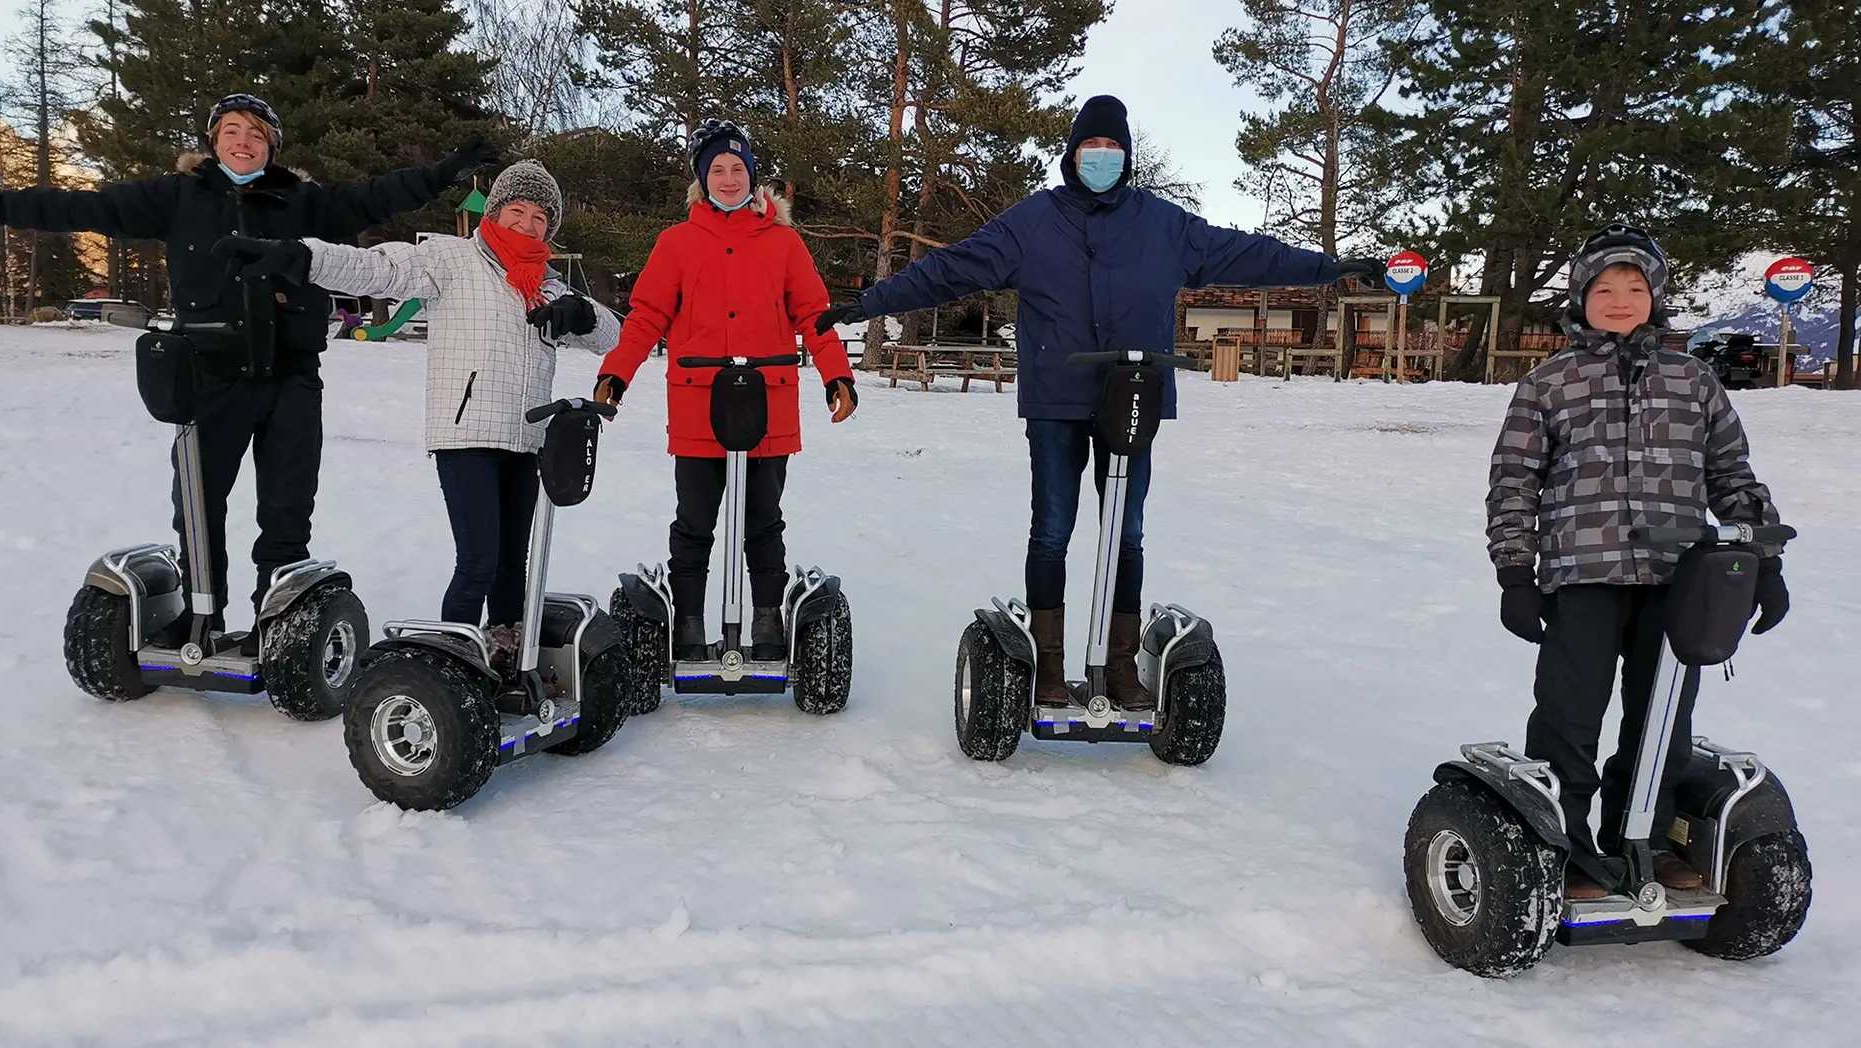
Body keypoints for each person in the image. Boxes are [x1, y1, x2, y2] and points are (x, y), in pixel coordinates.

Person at [812, 94, 1382, 710]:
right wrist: (869, 303)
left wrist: (1331, 268)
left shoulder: (1165, 226)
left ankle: (1119, 669)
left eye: (1113, 148)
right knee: (1052, 530)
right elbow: (952, 269)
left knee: (1126, 533)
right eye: (1092, 147)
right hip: (1058, 399)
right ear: (1072, 153)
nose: (1102, 157)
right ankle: (1051, 668)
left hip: (1131, 400)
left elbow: (1249, 253)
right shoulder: (1031, 224)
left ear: (1127, 156)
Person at [0, 94, 497, 650]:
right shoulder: (176, 196)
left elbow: (378, 196)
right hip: (209, 377)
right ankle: (199, 616)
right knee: (199, 508)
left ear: (271, 146)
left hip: (291, 380)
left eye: (255, 133)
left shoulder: (303, 202)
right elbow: (83, 207)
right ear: (213, 141)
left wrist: (445, 172)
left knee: (286, 512)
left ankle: (274, 626)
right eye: (231, 131)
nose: (242, 141)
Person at [216, 161, 621, 670]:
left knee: (511, 567)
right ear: (494, 212)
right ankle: (449, 668)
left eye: (541, 217)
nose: (528, 223)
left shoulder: (549, 284)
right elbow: (379, 268)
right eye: (517, 210)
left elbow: (613, 335)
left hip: (528, 439)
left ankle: (505, 654)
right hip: (466, 435)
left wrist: (583, 313)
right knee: (477, 564)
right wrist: (300, 256)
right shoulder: (450, 260)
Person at [1486, 224, 1790, 899]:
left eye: (1634, 287)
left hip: (1679, 583)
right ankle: (1565, 850)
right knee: (1568, 720)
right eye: (1604, 288)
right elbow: (1514, 483)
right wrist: (1515, 573)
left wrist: (1762, 562)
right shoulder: (1549, 382)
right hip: (1581, 577)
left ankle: (1645, 842)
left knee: (1662, 724)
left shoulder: (1694, 380)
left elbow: (1732, 476)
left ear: (1654, 296)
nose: (1619, 300)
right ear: (1580, 296)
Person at [593, 119, 857, 661]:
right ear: (702, 178)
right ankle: (688, 624)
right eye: (718, 169)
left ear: (753, 176)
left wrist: (837, 373)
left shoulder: (784, 243)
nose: (729, 178)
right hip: (697, 401)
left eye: (738, 168)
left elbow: (814, 315)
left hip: (769, 399)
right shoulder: (677, 243)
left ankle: (766, 623)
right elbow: (646, 316)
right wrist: (615, 373)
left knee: (764, 519)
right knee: (695, 519)